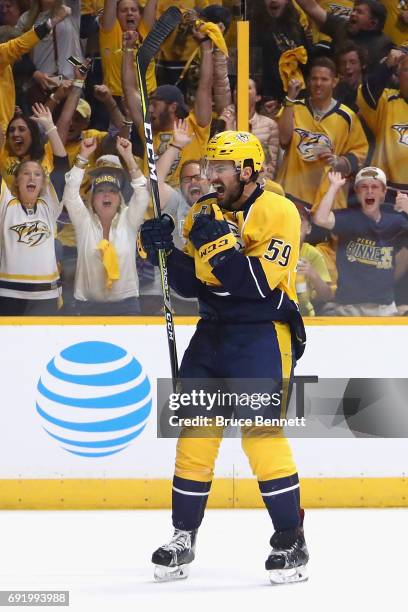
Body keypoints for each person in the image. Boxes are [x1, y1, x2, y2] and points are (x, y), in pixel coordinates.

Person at [138, 130, 309, 584]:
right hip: (212, 334)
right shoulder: (203, 213)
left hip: (261, 337)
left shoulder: (279, 211)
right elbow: (193, 286)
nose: (211, 177)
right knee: (194, 438)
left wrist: (218, 251)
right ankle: (182, 537)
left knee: (261, 438)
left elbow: (256, 287)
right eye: (210, 167)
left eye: (222, 169)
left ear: (249, 171)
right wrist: (160, 252)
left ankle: (291, 540)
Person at [61, 136, 149, 315]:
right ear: (92, 199)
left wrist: (129, 158)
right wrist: (83, 157)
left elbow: (142, 192)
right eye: (100, 191)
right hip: (87, 308)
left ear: (120, 198)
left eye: (112, 191)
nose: (106, 196)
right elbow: (70, 194)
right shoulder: (84, 222)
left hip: (127, 307)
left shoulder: (129, 219)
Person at [122, 27, 213, 188]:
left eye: (155, 104)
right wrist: (128, 49)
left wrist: (206, 48)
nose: (149, 109)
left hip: (187, 202)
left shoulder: (195, 126)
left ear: (173, 107)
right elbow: (129, 89)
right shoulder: (148, 129)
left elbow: (205, 87)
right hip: (153, 205)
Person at [313, 167, 408, 315]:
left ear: (383, 193)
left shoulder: (395, 221)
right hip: (348, 308)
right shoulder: (348, 218)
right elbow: (320, 219)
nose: (369, 191)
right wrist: (333, 187)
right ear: (357, 193)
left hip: (384, 308)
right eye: (364, 187)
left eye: (375, 186)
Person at [277, 57, 368, 211]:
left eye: (324, 79)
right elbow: (283, 139)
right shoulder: (294, 106)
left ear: (334, 82)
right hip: (291, 193)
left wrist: (337, 161)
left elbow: (360, 154)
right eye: (314, 79)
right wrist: (290, 98)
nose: (318, 84)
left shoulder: (347, 116)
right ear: (308, 81)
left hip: (325, 199)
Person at [0, 159, 62, 315]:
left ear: (43, 184)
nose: (32, 178)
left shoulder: (48, 206)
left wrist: (82, 158)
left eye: (37, 174)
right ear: (17, 181)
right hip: (9, 294)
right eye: (26, 173)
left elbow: (62, 171)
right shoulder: (6, 205)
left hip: (46, 294)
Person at [357, 49, 408, 204]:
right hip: (385, 195)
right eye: (407, 70)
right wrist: (386, 66)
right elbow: (366, 95)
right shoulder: (386, 100)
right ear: (398, 76)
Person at [295, 0, 392, 71]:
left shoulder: (383, 46)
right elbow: (312, 8)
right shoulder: (342, 26)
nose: (353, 14)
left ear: (372, 23)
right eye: (354, 10)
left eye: (359, 12)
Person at [295, 203, 334, 316]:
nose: (295, 223)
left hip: (305, 315)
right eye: (290, 218)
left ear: (308, 228)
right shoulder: (272, 248)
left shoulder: (312, 254)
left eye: (300, 219)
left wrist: (313, 274)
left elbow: (327, 296)